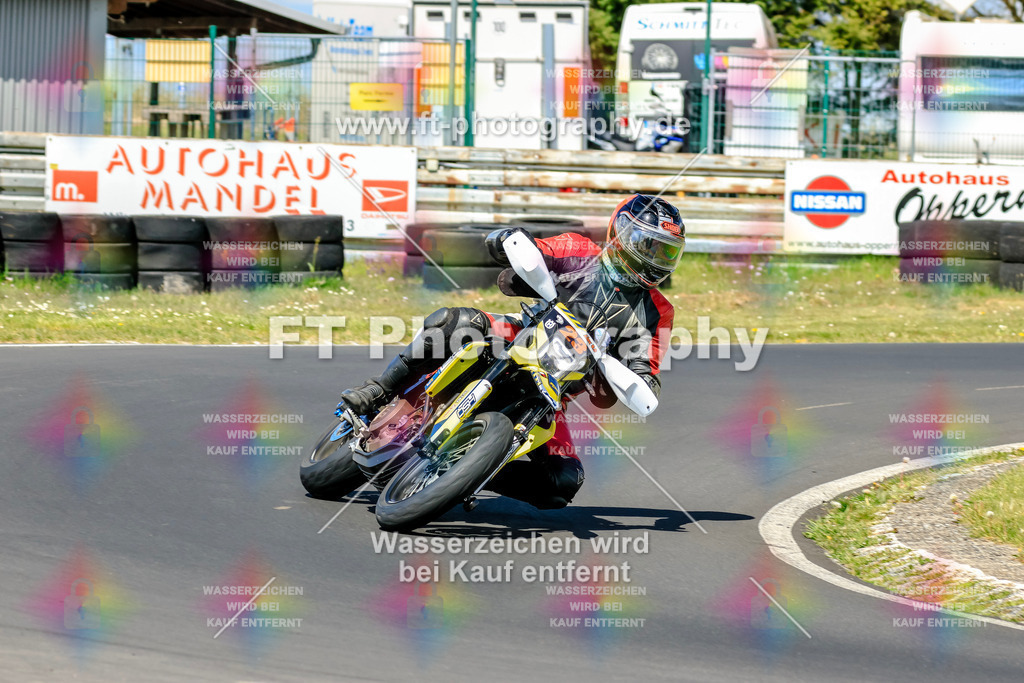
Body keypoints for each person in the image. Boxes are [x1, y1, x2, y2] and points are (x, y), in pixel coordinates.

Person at [340, 194, 684, 509]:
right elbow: (532, 251)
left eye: (666, 252)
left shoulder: (658, 311)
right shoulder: (579, 250)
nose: (654, 259)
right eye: (649, 246)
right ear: (621, 234)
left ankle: (471, 471)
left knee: (564, 482)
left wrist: (642, 383)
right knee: (453, 322)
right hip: (517, 336)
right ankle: (379, 389)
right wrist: (510, 240)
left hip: (553, 392)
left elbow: (645, 366)